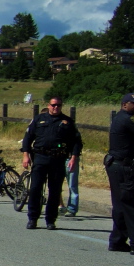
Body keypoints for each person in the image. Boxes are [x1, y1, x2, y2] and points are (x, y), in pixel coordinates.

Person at [20, 97, 82, 230]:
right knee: (35, 189)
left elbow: (76, 142)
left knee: (55, 190)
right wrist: (26, 155)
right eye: (53, 105)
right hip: (40, 157)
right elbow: (28, 138)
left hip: (58, 159)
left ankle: (50, 220)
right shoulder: (39, 119)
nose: (56, 107)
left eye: (58, 105)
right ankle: (33, 219)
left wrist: (73, 158)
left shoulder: (67, 122)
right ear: (48, 105)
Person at [105, 93, 134, 255]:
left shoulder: (119, 118)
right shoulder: (128, 119)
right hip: (126, 168)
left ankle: (118, 241)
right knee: (131, 204)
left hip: (116, 165)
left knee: (120, 204)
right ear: (124, 105)